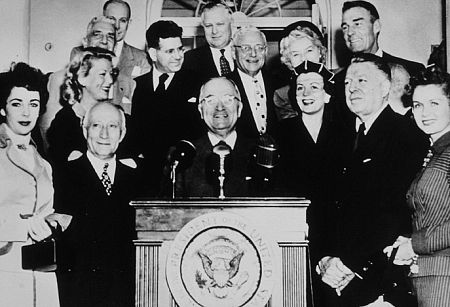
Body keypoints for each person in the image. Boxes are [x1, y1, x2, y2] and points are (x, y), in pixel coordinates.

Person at [315, 53, 427, 306]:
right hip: (330, 278)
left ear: (385, 87)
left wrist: (348, 264)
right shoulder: (336, 137)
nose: (352, 88)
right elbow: (322, 204)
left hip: (377, 278)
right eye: (347, 83)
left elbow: (392, 212)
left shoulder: (407, 136)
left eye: (361, 80)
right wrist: (323, 258)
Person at [55, 102, 138, 307]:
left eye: (112, 126)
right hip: (78, 295)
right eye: (96, 126)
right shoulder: (62, 175)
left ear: (122, 132)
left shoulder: (139, 180)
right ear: (85, 130)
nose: (104, 134)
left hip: (127, 295)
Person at [384, 67, 450, 307]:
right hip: (427, 276)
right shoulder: (432, 153)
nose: (425, 113)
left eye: (434, 103)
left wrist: (414, 243)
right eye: (418, 105)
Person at [0, 63, 59, 306]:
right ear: (2, 109)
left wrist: (50, 225)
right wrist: (21, 226)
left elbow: (47, 211)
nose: (26, 113)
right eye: (17, 104)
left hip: (40, 270)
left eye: (33, 104)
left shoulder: (44, 162)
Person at [130, 20, 202, 193]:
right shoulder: (138, 86)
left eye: (180, 49)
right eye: (170, 51)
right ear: (153, 54)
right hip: (146, 180)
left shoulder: (197, 82)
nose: (178, 56)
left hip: (185, 177)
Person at [334, 0, 425, 124]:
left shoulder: (412, 71)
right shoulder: (337, 82)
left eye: (358, 24)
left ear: (376, 26)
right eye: (345, 27)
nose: (350, 32)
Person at [40, 15, 117, 150]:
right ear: (85, 42)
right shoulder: (60, 78)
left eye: (110, 36)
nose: (104, 41)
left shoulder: (119, 79)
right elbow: (50, 134)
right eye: (97, 35)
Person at [179, 77, 257, 197]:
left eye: (228, 100)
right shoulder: (183, 156)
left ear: (240, 108)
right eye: (211, 101)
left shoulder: (260, 153)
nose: (220, 107)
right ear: (200, 110)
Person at [47, 47, 118, 167]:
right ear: (82, 78)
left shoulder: (119, 117)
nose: (110, 80)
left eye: (111, 74)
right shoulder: (64, 122)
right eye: (102, 74)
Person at [228, 25, 277, 138]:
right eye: (246, 48)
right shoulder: (224, 85)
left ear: (266, 51)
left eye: (259, 48)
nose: (253, 54)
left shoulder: (278, 83)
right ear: (233, 52)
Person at [102, 0, 151, 114]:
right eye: (111, 19)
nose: (117, 26)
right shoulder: (83, 54)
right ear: (102, 19)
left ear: (129, 23)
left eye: (123, 20)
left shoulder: (142, 59)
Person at [274, 21, 327, 120]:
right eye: (296, 54)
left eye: (309, 50)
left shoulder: (341, 82)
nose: (304, 59)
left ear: (320, 51)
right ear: (288, 60)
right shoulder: (283, 96)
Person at [182, 0, 234, 84]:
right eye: (209, 26)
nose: (214, 31)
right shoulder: (189, 60)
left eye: (220, 24)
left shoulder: (246, 54)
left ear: (231, 23)